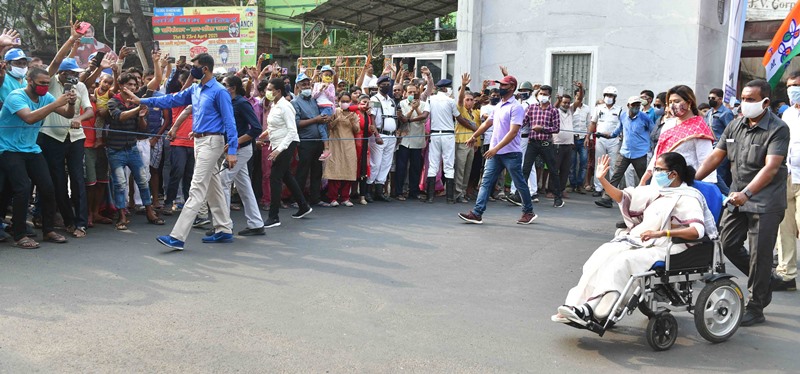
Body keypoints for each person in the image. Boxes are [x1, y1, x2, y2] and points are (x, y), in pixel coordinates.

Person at [553, 152, 717, 326]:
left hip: (671, 247)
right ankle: (574, 305)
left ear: (673, 174)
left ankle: (591, 307)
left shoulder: (689, 197)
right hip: (645, 240)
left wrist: (662, 233)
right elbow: (623, 197)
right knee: (603, 254)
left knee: (623, 261)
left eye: (659, 169)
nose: (654, 172)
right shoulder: (657, 191)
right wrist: (603, 180)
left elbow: (696, 231)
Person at [696, 79, 789, 326]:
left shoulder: (778, 129)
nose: (744, 104)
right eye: (743, 99)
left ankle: (756, 306)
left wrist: (747, 193)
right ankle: (764, 281)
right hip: (737, 197)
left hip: (766, 201)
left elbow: (771, 168)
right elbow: (716, 156)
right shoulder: (735, 125)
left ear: (765, 102)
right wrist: (689, 181)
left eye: (750, 100)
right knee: (727, 244)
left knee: (760, 255)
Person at [130, 53, 238, 251]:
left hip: (212, 141)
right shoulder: (195, 89)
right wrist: (143, 100)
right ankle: (224, 229)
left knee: (196, 189)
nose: (192, 69)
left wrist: (232, 150)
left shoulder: (219, 91)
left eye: (195, 66)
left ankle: (177, 237)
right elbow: (171, 100)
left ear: (204, 68)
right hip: (199, 141)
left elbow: (230, 122)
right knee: (213, 186)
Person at [0, 67, 76, 248]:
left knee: (48, 188)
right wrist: (56, 103)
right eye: (42, 83)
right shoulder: (16, 96)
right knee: (23, 188)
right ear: (29, 81)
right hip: (9, 149)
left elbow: (67, 114)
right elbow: (29, 118)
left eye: (47, 83)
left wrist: (71, 103)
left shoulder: (45, 98)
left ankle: (48, 230)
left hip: (31, 149)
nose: (45, 87)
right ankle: (20, 235)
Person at [458, 74, 536, 225]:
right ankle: (477, 213)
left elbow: (513, 132)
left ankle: (528, 211)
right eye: (500, 85)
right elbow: (487, 123)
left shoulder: (516, 107)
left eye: (504, 86)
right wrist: (474, 136)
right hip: (496, 153)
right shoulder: (498, 105)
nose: (500, 88)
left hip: (511, 153)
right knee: (486, 182)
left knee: (519, 183)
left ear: (512, 88)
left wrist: (495, 148)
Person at [38, 57, 93, 238]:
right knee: (58, 181)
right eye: (69, 73)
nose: (72, 77)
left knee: (78, 179)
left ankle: (81, 223)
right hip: (52, 137)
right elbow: (52, 66)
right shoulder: (51, 83)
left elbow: (90, 109)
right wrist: (72, 42)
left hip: (76, 137)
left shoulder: (81, 86)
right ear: (61, 73)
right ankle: (68, 221)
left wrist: (79, 119)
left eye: (75, 74)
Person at [105, 72, 165, 230]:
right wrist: (139, 107)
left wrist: (141, 117)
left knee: (143, 181)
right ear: (122, 86)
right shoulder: (113, 102)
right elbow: (119, 117)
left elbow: (142, 129)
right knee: (120, 184)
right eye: (129, 85)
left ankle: (149, 211)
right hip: (115, 149)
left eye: (134, 85)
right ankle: (122, 215)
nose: (132, 87)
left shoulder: (135, 103)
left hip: (132, 148)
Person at [257, 78, 313, 227]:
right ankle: (303, 206)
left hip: (286, 143)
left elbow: (291, 130)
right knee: (286, 176)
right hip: (278, 142)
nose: (267, 92)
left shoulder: (285, 106)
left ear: (278, 91)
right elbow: (277, 125)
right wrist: (265, 134)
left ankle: (274, 216)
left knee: (275, 178)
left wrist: (279, 150)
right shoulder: (275, 105)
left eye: (270, 89)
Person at [641, 85, 716, 186]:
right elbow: (657, 154)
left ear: (689, 102)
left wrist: (705, 187)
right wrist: (645, 178)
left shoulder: (698, 127)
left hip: (684, 184)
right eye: (670, 102)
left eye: (676, 101)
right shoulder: (668, 124)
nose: (672, 105)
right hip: (660, 180)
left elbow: (706, 161)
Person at [219, 75, 264, 235]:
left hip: (241, 149)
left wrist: (236, 142)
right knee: (244, 186)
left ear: (232, 88)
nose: (222, 87)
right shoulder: (228, 102)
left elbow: (256, 128)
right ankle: (256, 223)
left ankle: (223, 225)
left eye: (224, 84)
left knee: (223, 181)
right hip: (236, 149)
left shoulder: (242, 103)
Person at [595, 96, 654, 208]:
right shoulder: (623, 116)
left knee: (643, 177)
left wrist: (651, 146)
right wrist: (607, 135)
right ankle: (607, 198)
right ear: (628, 106)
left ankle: (649, 201)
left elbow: (654, 131)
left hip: (640, 153)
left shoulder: (644, 118)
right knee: (616, 175)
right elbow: (618, 130)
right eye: (634, 105)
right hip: (625, 152)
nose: (636, 107)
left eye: (638, 105)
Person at [426, 78, 471, 203]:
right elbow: (459, 118)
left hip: (434, 135)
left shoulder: (430, 99)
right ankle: (450, 198)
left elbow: (425, 115)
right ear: (446, 89)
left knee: (433, 164)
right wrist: (474, 128)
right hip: (448, 135)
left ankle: (430, 197)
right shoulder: (450, 101)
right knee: (449, 165)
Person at [775, 71, 800, 292]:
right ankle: (787, 274)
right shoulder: (788, 114)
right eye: (791, 85)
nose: (793, 89)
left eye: (798, 85)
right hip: (787, 176)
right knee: (785, 227)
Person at [520, 84, 564, 208]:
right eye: (541, 93)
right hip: (532, 143)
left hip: (546, 143)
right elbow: (523, 122)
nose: (542, 96)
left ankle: (558, 197)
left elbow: (556, 129)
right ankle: (520, 194)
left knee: (553, 170)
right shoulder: (532, 108)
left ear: (549, 96)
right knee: (525, 169)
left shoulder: (553, 111)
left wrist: (543, 129)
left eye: (545, 94)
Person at [293, 73, 327, 206]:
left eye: (308, 84)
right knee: (302, 171)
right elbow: (296, 123)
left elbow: (319, 118)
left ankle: (315, 198)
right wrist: (316, 120)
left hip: (317, 141)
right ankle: (298, 200)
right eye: (303, 84)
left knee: (317, 170)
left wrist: (323, 118)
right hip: (305, 141)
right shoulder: (295, 102)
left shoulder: (314, 100)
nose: (306, 86)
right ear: (298, 86)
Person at [323, 92, 360, 206]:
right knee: (335, 170)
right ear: (338, 101)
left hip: (349, 145)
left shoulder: (353, 114)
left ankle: (345, 198)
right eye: (342, 101)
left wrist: (352, 121)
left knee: (348, 169)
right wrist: (337, 119)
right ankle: (333, 198)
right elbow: (329, 127)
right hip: (336, 144)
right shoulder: (335, 111)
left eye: (347, 101)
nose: (345, 103)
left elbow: (357, 130)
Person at [395, 83, 429, 201]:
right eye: (410, 92)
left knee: (415, 167)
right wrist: (412, 109)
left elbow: (423, 119)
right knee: (401, 167)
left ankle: (413, 192)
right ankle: (398, 191)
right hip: (404, 140)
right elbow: (403, 119)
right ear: (405, 93)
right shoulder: (402, 104)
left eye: (414, 92)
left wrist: (417, 108)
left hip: (417, 140)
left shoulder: (424, 104)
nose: (412, 94)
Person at [367, 75, 398, 202]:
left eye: (388, 84)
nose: (386, 86)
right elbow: (372, 118)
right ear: (378, 86)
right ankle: (368, 190)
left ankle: (379, 190)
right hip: (379, 135)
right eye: (384, 84)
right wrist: (377, 135)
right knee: (376, 163)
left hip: (391, 135)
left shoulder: (391, 101)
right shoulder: (374, 99)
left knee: (386, 164)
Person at [588, 86, 623, 197]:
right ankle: (598, 188)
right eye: (607, 95)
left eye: (611, 96)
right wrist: (588, 137)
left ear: (615, 97)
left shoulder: (619, 109)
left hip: (613, 140)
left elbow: (622, 125)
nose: (609, 97)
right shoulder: (599, 108)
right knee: (600, 163)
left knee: (613, 165)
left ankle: (612, 189)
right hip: (600, 139)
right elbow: (593, 123)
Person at [455, 74, 481, 203]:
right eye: (467, 99)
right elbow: (459, 101)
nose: (469, 102)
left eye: (471, 100)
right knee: (460, 169)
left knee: (467, 170)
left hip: (471, 144)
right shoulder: (461, 110)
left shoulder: (472, 113)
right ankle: (457, 193)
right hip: (462, 143)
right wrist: (463, 86)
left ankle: (463, 192)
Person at [705, 88, 735, 195]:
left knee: (719, 176)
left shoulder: (726, 113)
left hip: (721, 149)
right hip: (709, 149)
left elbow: (731, 132)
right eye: (709, 98)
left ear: (720, 99)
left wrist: (731, 153)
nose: (710, 100)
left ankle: (725, 197)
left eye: (713, 98)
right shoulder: (709, 113)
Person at [313, 62, 340, 161]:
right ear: (321, 75)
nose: (328, 77)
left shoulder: (331, 86)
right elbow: (314, 96)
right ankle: (324, 148)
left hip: (327, 107)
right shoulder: (316, 85)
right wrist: (320, 89)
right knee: (322, 128)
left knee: (321, 126)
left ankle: (327, 149)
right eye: (326, 75)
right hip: (318, 108)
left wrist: (326, 89)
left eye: (329, 75)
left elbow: (332, 97)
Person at [550, 94, 574, 199]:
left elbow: (579, 100)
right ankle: (551, 190)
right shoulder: (556, 111)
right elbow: (551, 110)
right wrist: (557, 101)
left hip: (568, 145)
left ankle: (561, 190)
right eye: (564, 102)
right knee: (555, 168)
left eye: (568, 103)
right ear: (561, 102)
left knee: (565, 169)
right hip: (557, 144)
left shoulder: (570, 111)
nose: (566, 104)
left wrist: (581, 90)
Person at [570, 83, 591, 194]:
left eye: (581, 96)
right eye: (577, 96)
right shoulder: (571, 107)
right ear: (575, 96)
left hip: (583, 139)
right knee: (572, 163)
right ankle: (572, 185)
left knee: (583, 163)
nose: (579, 98)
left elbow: (589, 124)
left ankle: (580, 185)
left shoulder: (587, 109)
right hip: (572, 138)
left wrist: (588, 137)